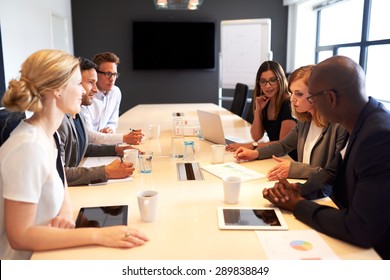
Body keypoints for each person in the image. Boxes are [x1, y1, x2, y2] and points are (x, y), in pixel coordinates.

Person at [0, 49, 148, 260]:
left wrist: (64, 213)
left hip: (48, 248)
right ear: (57, 90)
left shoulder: (50, 136)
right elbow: (20, 237)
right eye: (79, 83)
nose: (86, 91)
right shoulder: (27, 147)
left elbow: (62, 184)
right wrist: (98, 235)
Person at [262, 56, 390, 259]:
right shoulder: (360, 120)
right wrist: (296, 191)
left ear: (330, 98)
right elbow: (332, 172)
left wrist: (298, 205)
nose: (309, 103)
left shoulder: (378, 137)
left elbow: (362, 229)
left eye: (311, 97)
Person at [234, 65, 346, 181]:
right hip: (305, 186)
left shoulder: (339, 127)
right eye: (291, 93)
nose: (292, 99)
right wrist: (256, 153)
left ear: (316, 95)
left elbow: (334, 175)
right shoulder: (305, 121)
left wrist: (295, 169)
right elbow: (283, 145)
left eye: (299, 94)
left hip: (325, 196)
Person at [58, 57, 138, 186]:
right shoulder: (59, 124)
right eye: (90, 82)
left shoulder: (77, 116)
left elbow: (82, 148)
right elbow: (59, 174)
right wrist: (105, 172)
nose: (95, 90)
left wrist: (116, 149)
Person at [226, 61, 297, 158]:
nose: (268, 86)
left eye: (272, 80)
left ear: (280, 80)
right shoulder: (266, 101)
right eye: (263, 81)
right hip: (273, 155)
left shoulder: (288, 104)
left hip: (288, 158)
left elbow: (283, 144)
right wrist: (258, 110)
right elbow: (256, 136)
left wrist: (251, 146)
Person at [80, 52, 122, 134]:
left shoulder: (116, 92)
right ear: (96, 73)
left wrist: (110, 129)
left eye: (114, 74)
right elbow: (89, 135)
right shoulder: (85, 96)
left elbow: (113, 122)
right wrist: (124, 138)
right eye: (108, 74)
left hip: (104, 142)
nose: (112, 79)